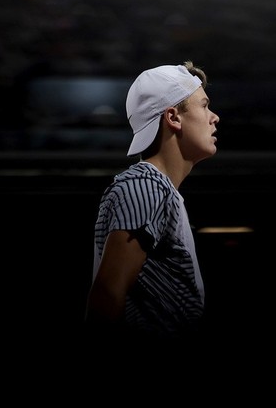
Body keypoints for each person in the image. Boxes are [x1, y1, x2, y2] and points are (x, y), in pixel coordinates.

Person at [84, 60, 219, 350]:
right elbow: (107, 295)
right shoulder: (146, 184)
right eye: (204, 106)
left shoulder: (157, 189)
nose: (214, 117)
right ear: (173, 117)